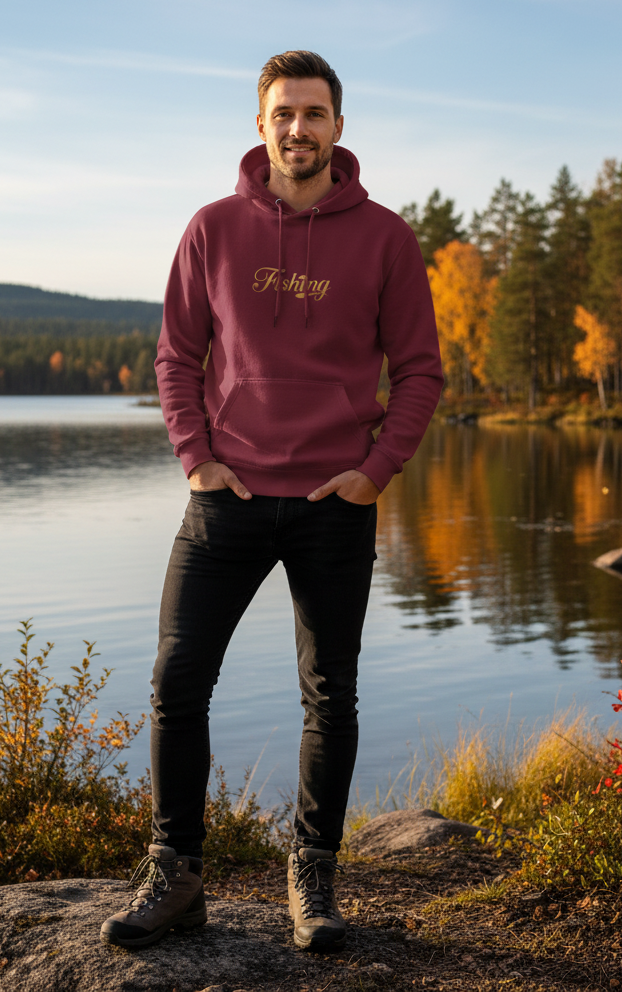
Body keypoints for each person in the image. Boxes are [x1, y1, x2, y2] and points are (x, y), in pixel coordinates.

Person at [100, 50, 442, 954]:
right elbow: (177, 355)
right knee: (178, 682)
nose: (299, 128)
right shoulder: (213, 228)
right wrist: (196, 459)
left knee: (331, 695)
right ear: (260, 125)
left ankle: (313, 881)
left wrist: (377, 471)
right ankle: (176, 876)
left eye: (315, 113)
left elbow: (419, 372)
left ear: (339, 126)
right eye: (283, 113)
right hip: (229, 496)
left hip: (337, 500)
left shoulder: (386, 239)